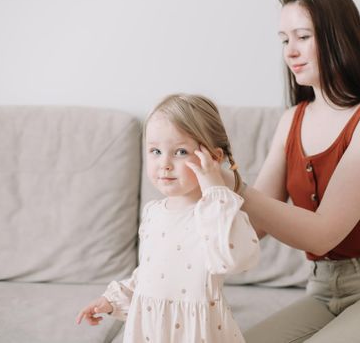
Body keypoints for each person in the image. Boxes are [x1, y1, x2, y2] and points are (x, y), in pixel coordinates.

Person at [230, 0, 360, 342]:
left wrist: (234, 185)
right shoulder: (291, 120)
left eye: (303, 36)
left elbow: (323, 232)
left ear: (338, 36)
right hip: (323, 292)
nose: (290, 52)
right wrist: (205, 196)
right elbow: (255, 224)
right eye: (284, 40)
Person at [76, 94, 260, 343]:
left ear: (213, 158)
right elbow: (149, 279)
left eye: (180, 151)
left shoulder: (217, 213)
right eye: (155, 151)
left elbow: (235, 260)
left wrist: (215, 189)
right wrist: (111, 301)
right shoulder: (153, 213)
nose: (164, 163)